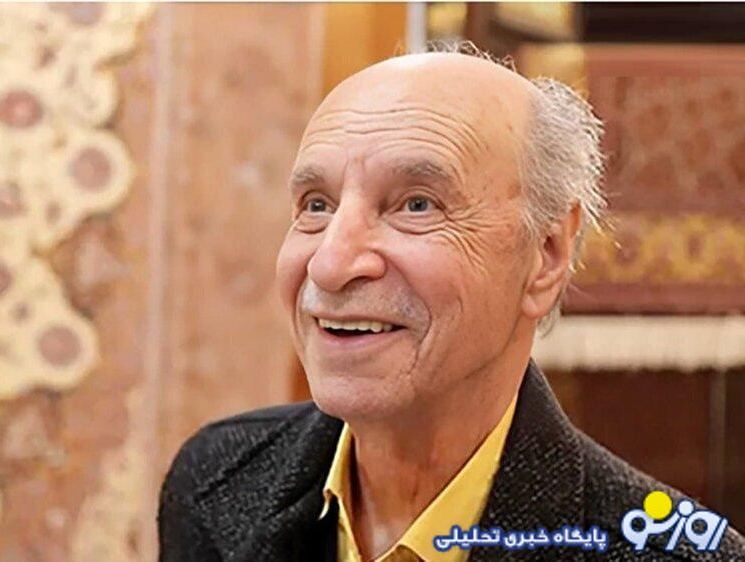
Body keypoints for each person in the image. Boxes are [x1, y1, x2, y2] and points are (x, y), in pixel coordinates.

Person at [157, 45, 745, 562]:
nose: (330, 264)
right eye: (316, 205)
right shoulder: (216, 481)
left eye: (417, 204)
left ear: (545, 255)